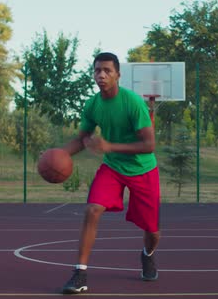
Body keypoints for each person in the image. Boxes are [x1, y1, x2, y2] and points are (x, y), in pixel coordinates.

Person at [60, 52, 161, 294]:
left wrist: (109, 146)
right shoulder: (93, 104)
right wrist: (59, 154)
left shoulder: (133, 102)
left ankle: (147, 254)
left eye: (107, 70)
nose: (101, 75)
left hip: (143, 169)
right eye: (97, 70)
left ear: (117, 75)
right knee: (92, 209)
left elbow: (149, 145)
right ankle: (80, 273)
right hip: (113, 168)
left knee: (153, 231)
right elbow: (82, 138)